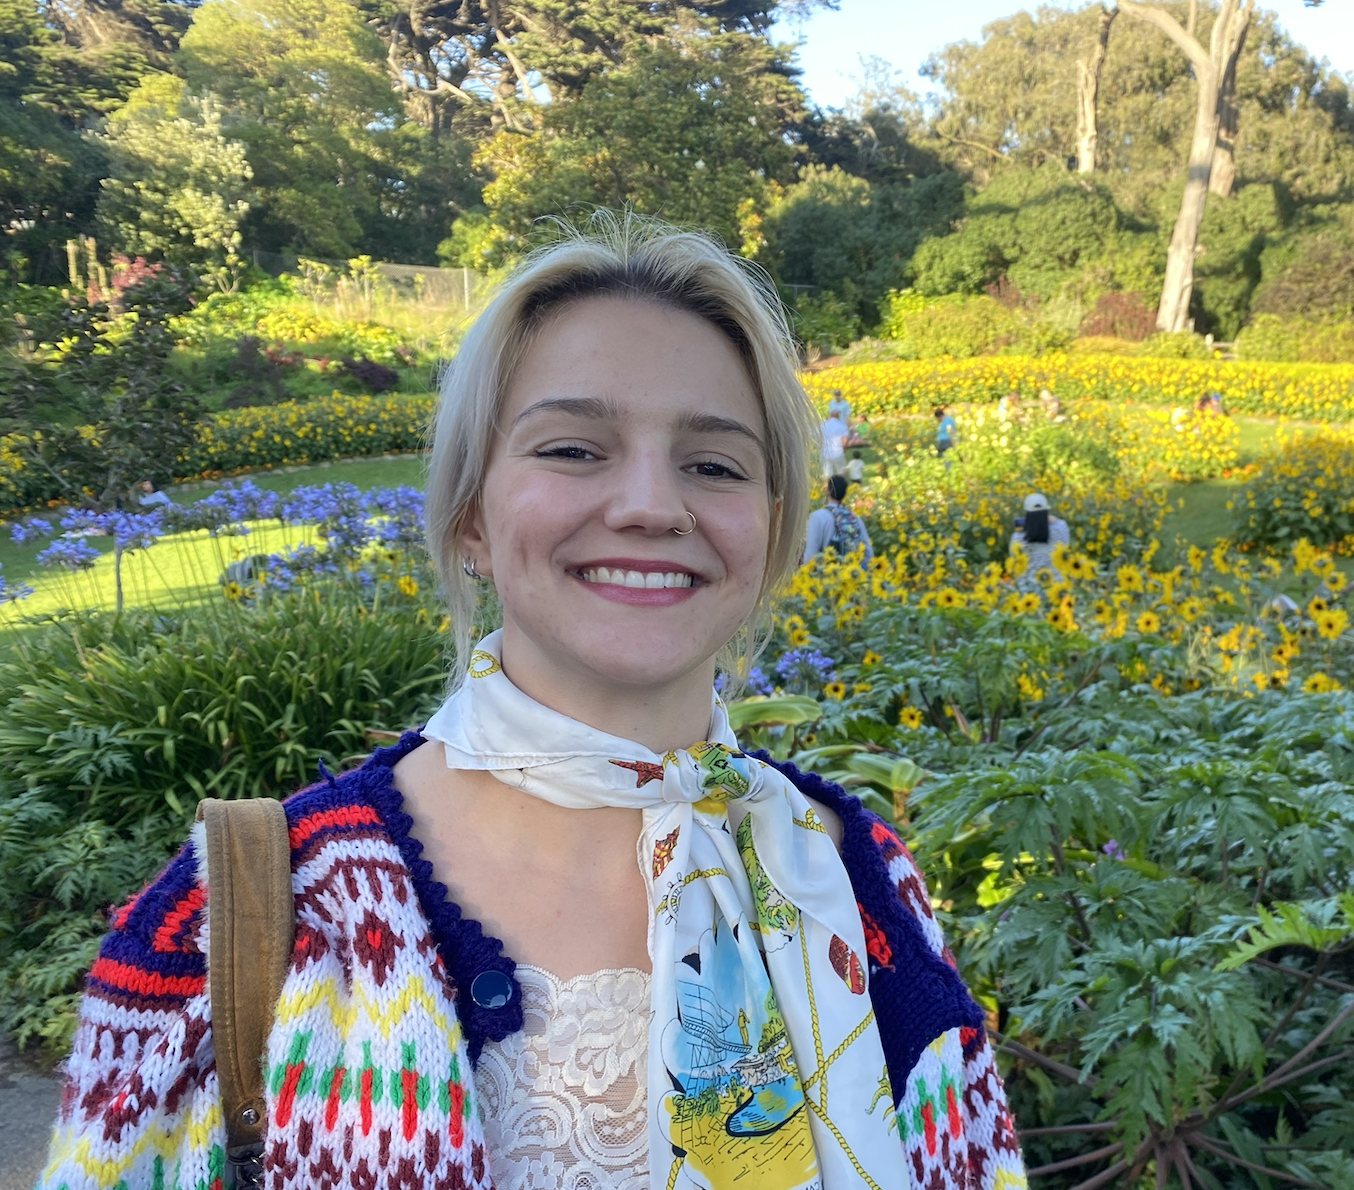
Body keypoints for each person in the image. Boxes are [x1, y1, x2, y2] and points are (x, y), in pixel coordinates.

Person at [40, 217, 1025, 1190]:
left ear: (771, 532)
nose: (650, 504)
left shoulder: (859, 877)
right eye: (572, 449)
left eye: (714, 464)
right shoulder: (261, 909)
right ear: (470, 512)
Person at [804, 474, 874, 564]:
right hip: (851, 572)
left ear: (828, 491)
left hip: (826, 573)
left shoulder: (817, 517)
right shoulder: (855, 518)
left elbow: (811, 553)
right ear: (845, 494)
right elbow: (868, 552)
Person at [1011, 492, 1070, 582]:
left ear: (1026, 513)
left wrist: (1030, 524)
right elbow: (1065, 542)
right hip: (1056, 585)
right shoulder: (1060, 528)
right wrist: (1043, 519)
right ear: (1047, 511)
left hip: (1028, 589)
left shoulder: (1018, 538)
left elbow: (1014, 560)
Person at [820, 409, 848, 477]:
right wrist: (844, 449)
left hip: (826, 453)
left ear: (829, 415)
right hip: (838, 452)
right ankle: (840, 486)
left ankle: (828, 487)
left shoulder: (823, 425)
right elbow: (845, 440)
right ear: (838, 416)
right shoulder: (842, 426)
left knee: (827, 475)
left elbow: (818, 437)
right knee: (841, 472)